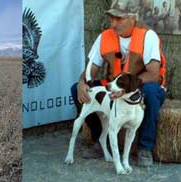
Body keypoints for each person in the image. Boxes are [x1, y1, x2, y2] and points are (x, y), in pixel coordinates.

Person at [70, 2, 167, 167]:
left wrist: (128, 89)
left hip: (144, 84)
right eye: (111, 18)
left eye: (119, 19)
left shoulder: (147, 35)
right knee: (76, 90)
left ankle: (145, 147)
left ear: (133, 18)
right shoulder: (105, 36)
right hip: (115, 84)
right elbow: (91, 70)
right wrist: (82, 82)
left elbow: (153, 73)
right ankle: (100, 140)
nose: (113, 23)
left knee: (149, 93)